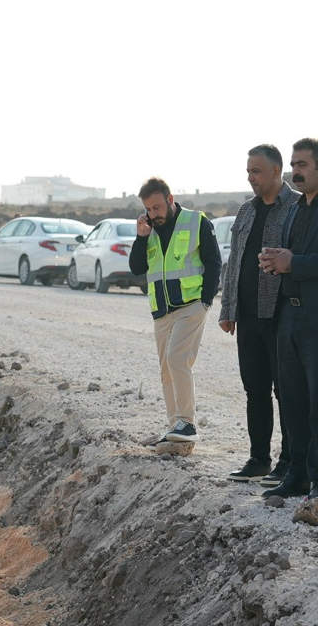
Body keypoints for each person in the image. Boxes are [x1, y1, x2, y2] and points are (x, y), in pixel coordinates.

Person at [257, 138, 318, 500]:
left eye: (302, 164)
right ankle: (296, 474)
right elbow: (292, 257)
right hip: (290, 316)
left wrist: (293, 262)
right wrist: (275, 262)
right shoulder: (297, 208)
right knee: (292, 401)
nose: (295, 171)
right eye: (293, 165)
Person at [218, 145, 298, 483]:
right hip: (248, 316)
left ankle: (290, 461)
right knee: (255, 390)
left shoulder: (296, 206)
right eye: (249, 171)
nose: (250, 177)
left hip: (281, 315)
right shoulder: (246, 210)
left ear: (277, 171)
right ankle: (258, 459)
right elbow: (234, 260)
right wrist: (228, 308)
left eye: (257, 171)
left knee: (287, 391)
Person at [129, 177, 223, 447]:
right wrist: (140, 237)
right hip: (161, 309)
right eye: (148, 209)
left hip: (191, 304)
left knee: (177, 359)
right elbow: (137, 268)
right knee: (166, 369)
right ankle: (175, 427)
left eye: (157, 207)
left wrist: (206, 299)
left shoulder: (196, 222)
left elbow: (213, 261)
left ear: (170, 200)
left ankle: (187, 422)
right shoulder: (149, 230)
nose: (153, 214)